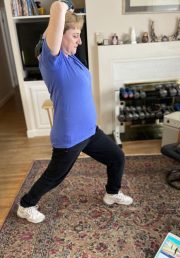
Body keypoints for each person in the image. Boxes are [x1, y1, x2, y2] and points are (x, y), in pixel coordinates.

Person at [17, 0, 133, 224]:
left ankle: (112, 193)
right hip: (70, 137)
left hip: (89, 131)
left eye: (79, 35)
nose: (80, 41)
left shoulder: (72, 60)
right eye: (75, 36)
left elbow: (60, 29)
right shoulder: (52, 62)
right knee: (54, 177)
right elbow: (57, 11)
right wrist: (65, 5)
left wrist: (72, 18)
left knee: (116, 157)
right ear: (58, 36)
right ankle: (26, 205)